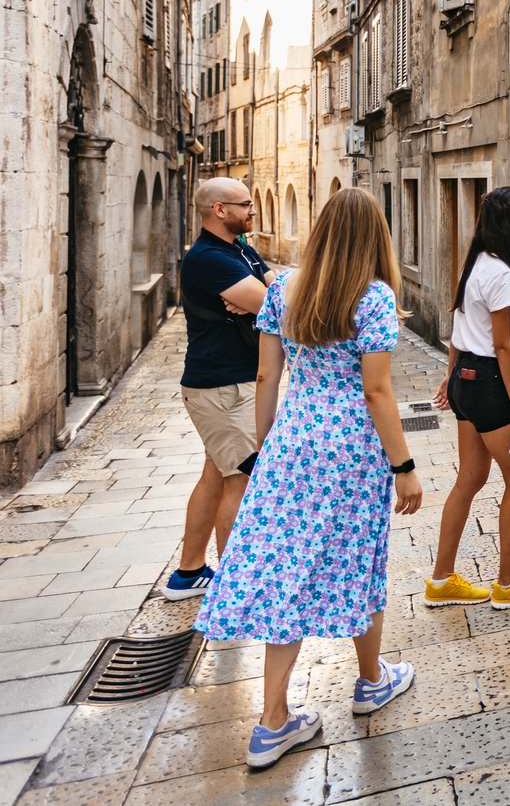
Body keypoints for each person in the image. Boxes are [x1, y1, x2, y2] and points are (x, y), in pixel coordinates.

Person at [193, 188, 423, 770]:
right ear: (375, 236)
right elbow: (377, 391)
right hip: (350, 447)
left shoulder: (285, 288)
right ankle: (370, 681)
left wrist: (266, 442)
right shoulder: (373, 297)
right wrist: (405, 467)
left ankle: (273, 720)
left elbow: (267, 375)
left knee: (283, 563)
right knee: (361, 557)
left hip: (292, 439)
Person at [424, 187, 510, 609]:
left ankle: (442, 580)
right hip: (487, 381)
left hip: (466, 376)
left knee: (470, 477)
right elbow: (502, 347)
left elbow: (459, 328)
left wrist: (450, 380)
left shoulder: (476, 264)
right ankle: (508, 583)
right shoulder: (501, 273)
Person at [165, 178, 275, 601]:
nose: (252, 210)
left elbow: (274, 291)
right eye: (245, 204)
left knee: (216, 475)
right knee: (241, 480)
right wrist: (265, 297)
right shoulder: (208, 259)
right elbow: (276, 306)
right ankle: (237, 586)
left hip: (229, 385)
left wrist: (264, 294)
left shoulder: (240, 249)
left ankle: (189, 572)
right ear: (218, 210)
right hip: (223, 388)